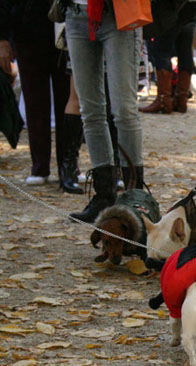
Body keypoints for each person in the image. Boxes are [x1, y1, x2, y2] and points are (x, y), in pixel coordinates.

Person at [64, 0, 145, 223]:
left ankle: (135, 196)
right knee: (90, 111)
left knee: (124, 111)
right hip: (76, 12)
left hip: (120, 13)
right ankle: (104, 195)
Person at [0, 0, 70, 187]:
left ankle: (69, 166)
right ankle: (40, 166)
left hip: (64, 27)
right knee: (35, 101)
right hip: (26, 29)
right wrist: (3, 39)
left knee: (68, 101)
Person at [141, 0, 196, 114]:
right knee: (184, 49)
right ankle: (181, 100)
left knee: (161, 50)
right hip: (195, 5)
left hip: (174, 6)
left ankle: (164, 101)